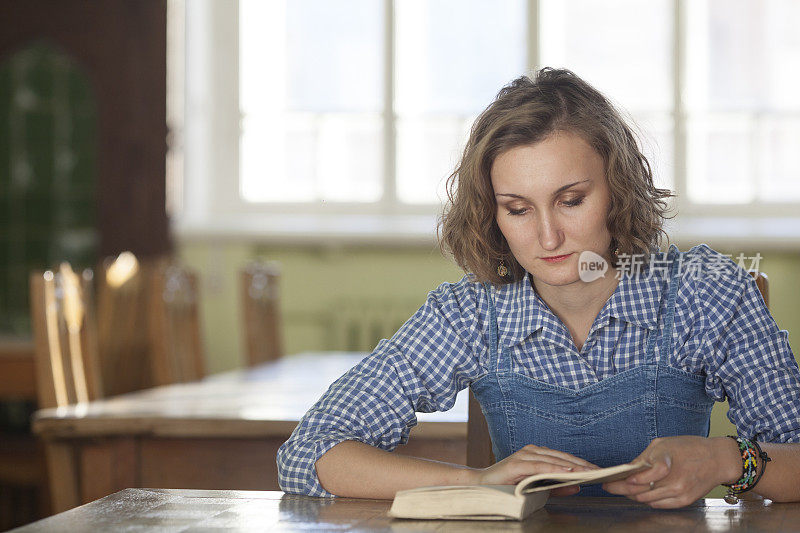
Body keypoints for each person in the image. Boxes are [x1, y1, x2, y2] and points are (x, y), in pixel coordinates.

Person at [277, 68, 800, 508]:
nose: (547, 237)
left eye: (571, 200)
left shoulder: (706, 295)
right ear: (493, 213)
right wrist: (478, 483)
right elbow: (309, 453)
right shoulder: (469, 314)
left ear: (617, 190)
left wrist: (727, 458)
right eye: (518, 209)